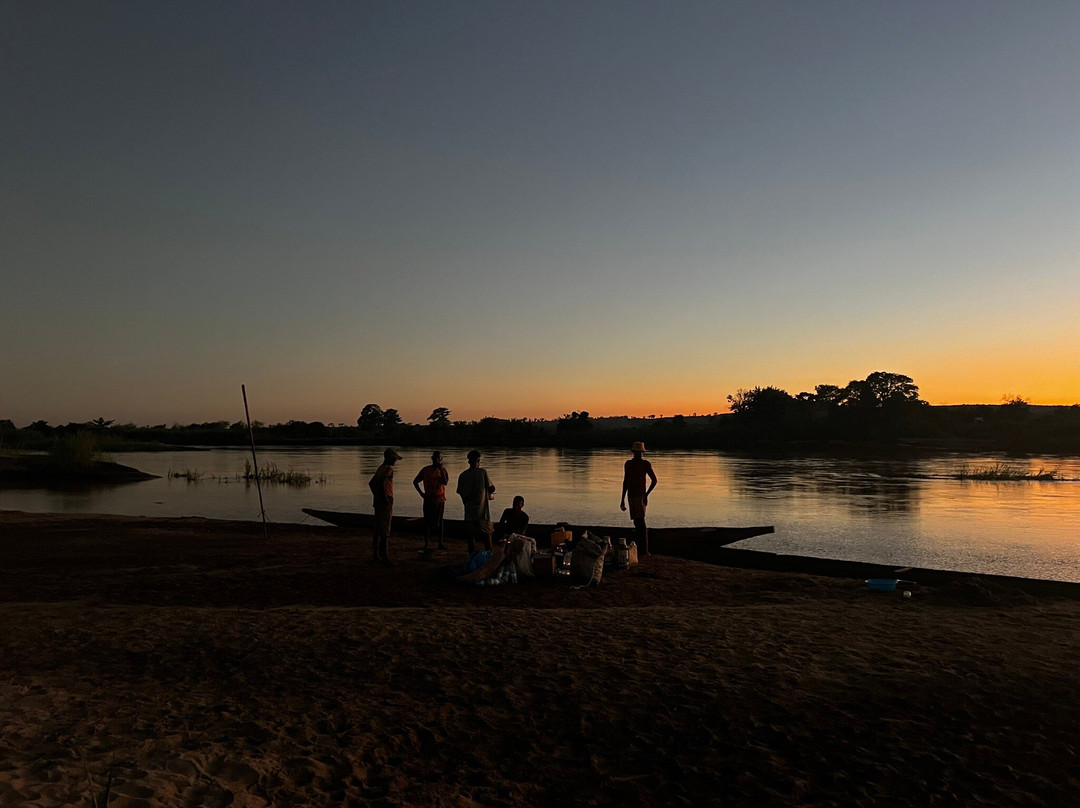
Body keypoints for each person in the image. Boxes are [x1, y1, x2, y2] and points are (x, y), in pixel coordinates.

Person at [620, 440, 657, 555]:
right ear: (634, 452)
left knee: (641, 522)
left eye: (639, 452)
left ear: (642, 453)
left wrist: (646, 494)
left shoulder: (645, 464)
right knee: (636, 522)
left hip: (640, 496)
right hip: (631, 496)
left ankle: (645, 551)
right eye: (637, 452)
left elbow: (654, 480)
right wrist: (622, 500)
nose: (638, 454)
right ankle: (641, 549)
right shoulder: (628, 464)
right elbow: (625, 482)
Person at [456, 449, 495, 553]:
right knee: (487, 536)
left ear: (469, 461)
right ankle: (489, 556)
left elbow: (461, 493)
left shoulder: (462, 475)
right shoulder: (482, 472)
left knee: (471, 538)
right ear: (478, 461)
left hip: (469, 511)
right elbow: (491, 488)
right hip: (482, 513)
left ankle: (471, 556)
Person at [368, 448, 401, 562]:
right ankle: (385, 556)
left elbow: (371, 483)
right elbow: (383, 483)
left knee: (378, 529)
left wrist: (376, 495)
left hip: (378, 502)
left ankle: (376, 556)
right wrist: (386, 499)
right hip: (385, 503)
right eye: (394, 459)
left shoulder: (380, 468)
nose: (395, 461)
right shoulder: (388, 470)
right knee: (385, 531)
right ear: (390, 458)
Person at [412, 450, 449, 551]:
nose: (436, 460)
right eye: (435, 458)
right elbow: (415, 481)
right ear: (432, 458)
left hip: (440, 499)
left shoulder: (443, 470)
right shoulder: (426, 470)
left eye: (438, 458)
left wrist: (441, 470)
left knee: (440, 521)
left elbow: (445, 482)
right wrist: (421, 493)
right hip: (429, 499)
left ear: (441, 459)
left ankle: (440, 543)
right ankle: (426, 544)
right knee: (427, 521)